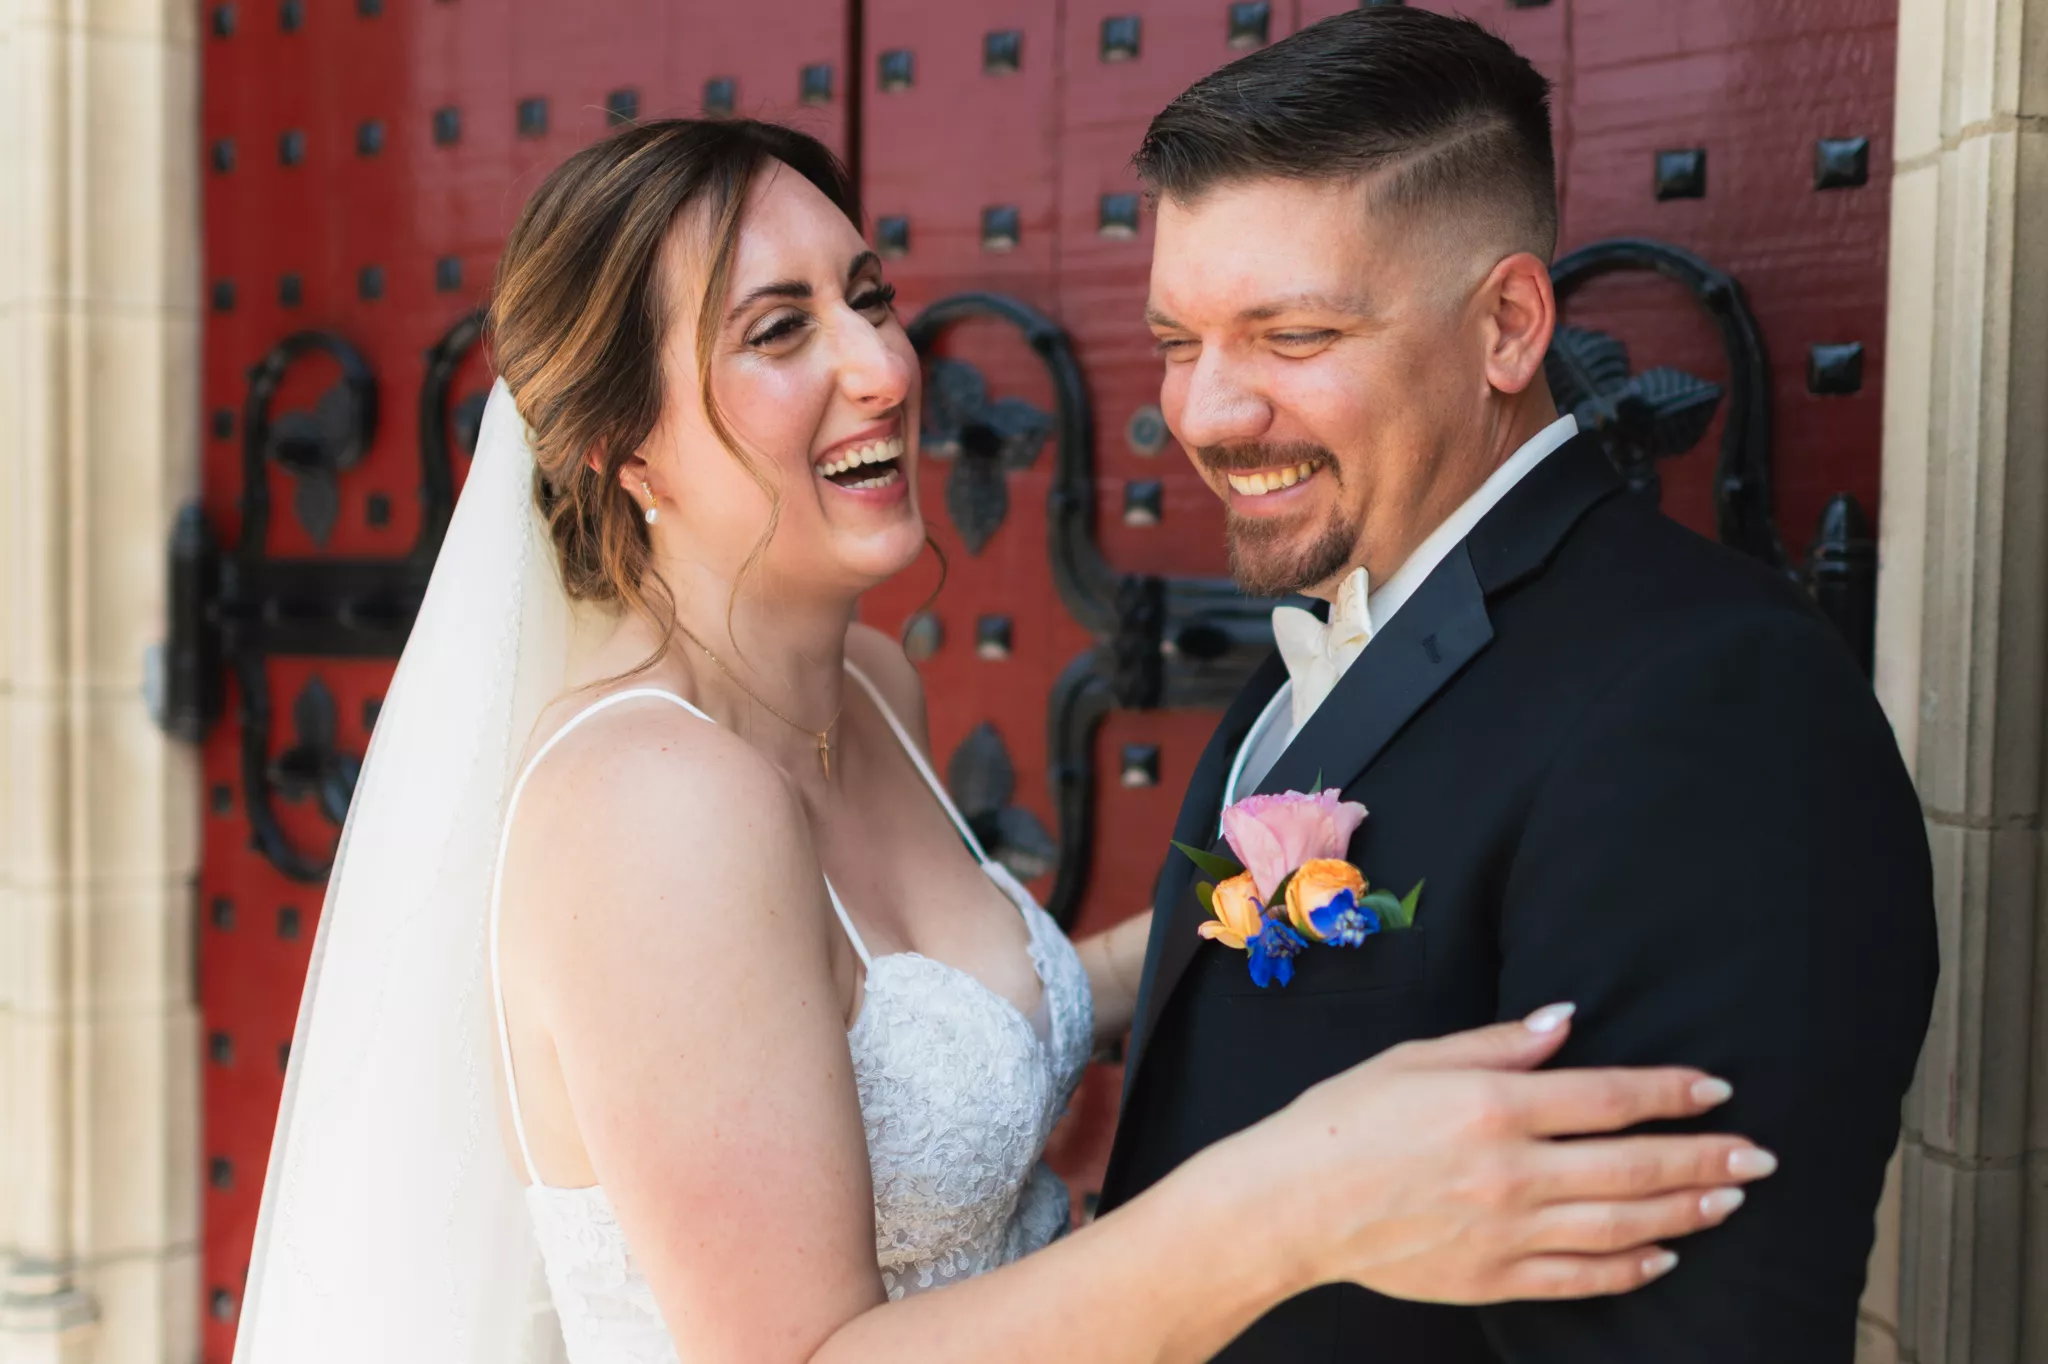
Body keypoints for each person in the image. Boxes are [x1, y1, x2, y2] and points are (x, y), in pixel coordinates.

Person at [233, 117, 1775, 1364]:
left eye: (870, 297)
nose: (885, 368)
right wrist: (1301, 1200)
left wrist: (1297, 879)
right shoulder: (650, 807)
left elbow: (953, 1014)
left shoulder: (875, 691)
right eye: (782, 329)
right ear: (617, 447)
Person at [1097, 9, 1939, 1363]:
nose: (1206, 413)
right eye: (1179, 339)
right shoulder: (1345, 608)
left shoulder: (1714, 706)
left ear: (1505, 324)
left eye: (1291, 335)